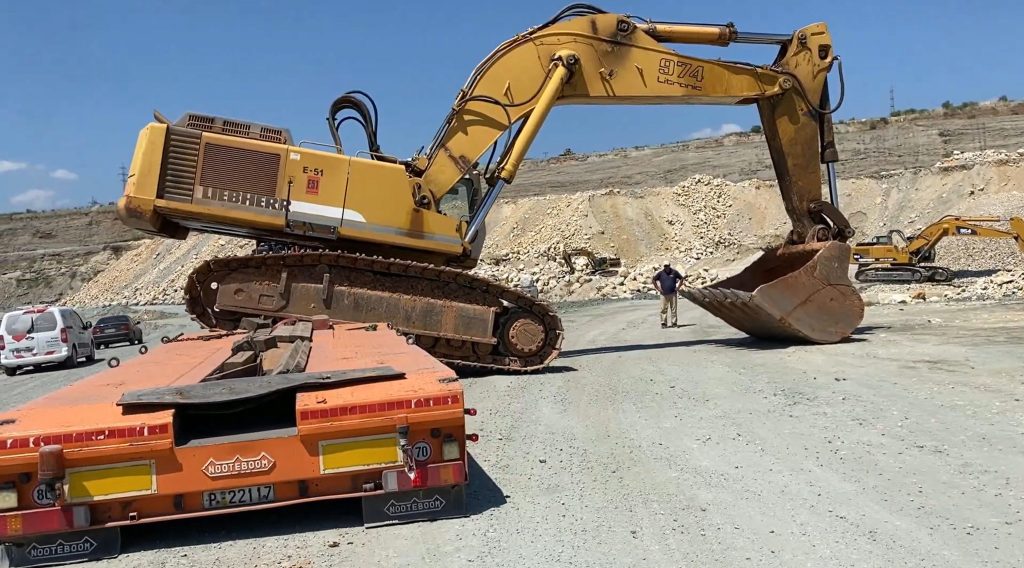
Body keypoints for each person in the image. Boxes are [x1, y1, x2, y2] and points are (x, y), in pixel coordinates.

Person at [652, 262, 684, 328]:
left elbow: (681, 278)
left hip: (673, 294)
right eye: (665, 266)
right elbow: (654, 280)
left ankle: (674, 323)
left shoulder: (674, 272)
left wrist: (678, 288)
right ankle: (663, 323)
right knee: (663, 309)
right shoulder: (660, 273)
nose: (666, 267)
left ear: (669, 265)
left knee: (674, 309)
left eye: (667, 266)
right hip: (663, 295)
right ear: (664, 266)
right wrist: (658, 288)